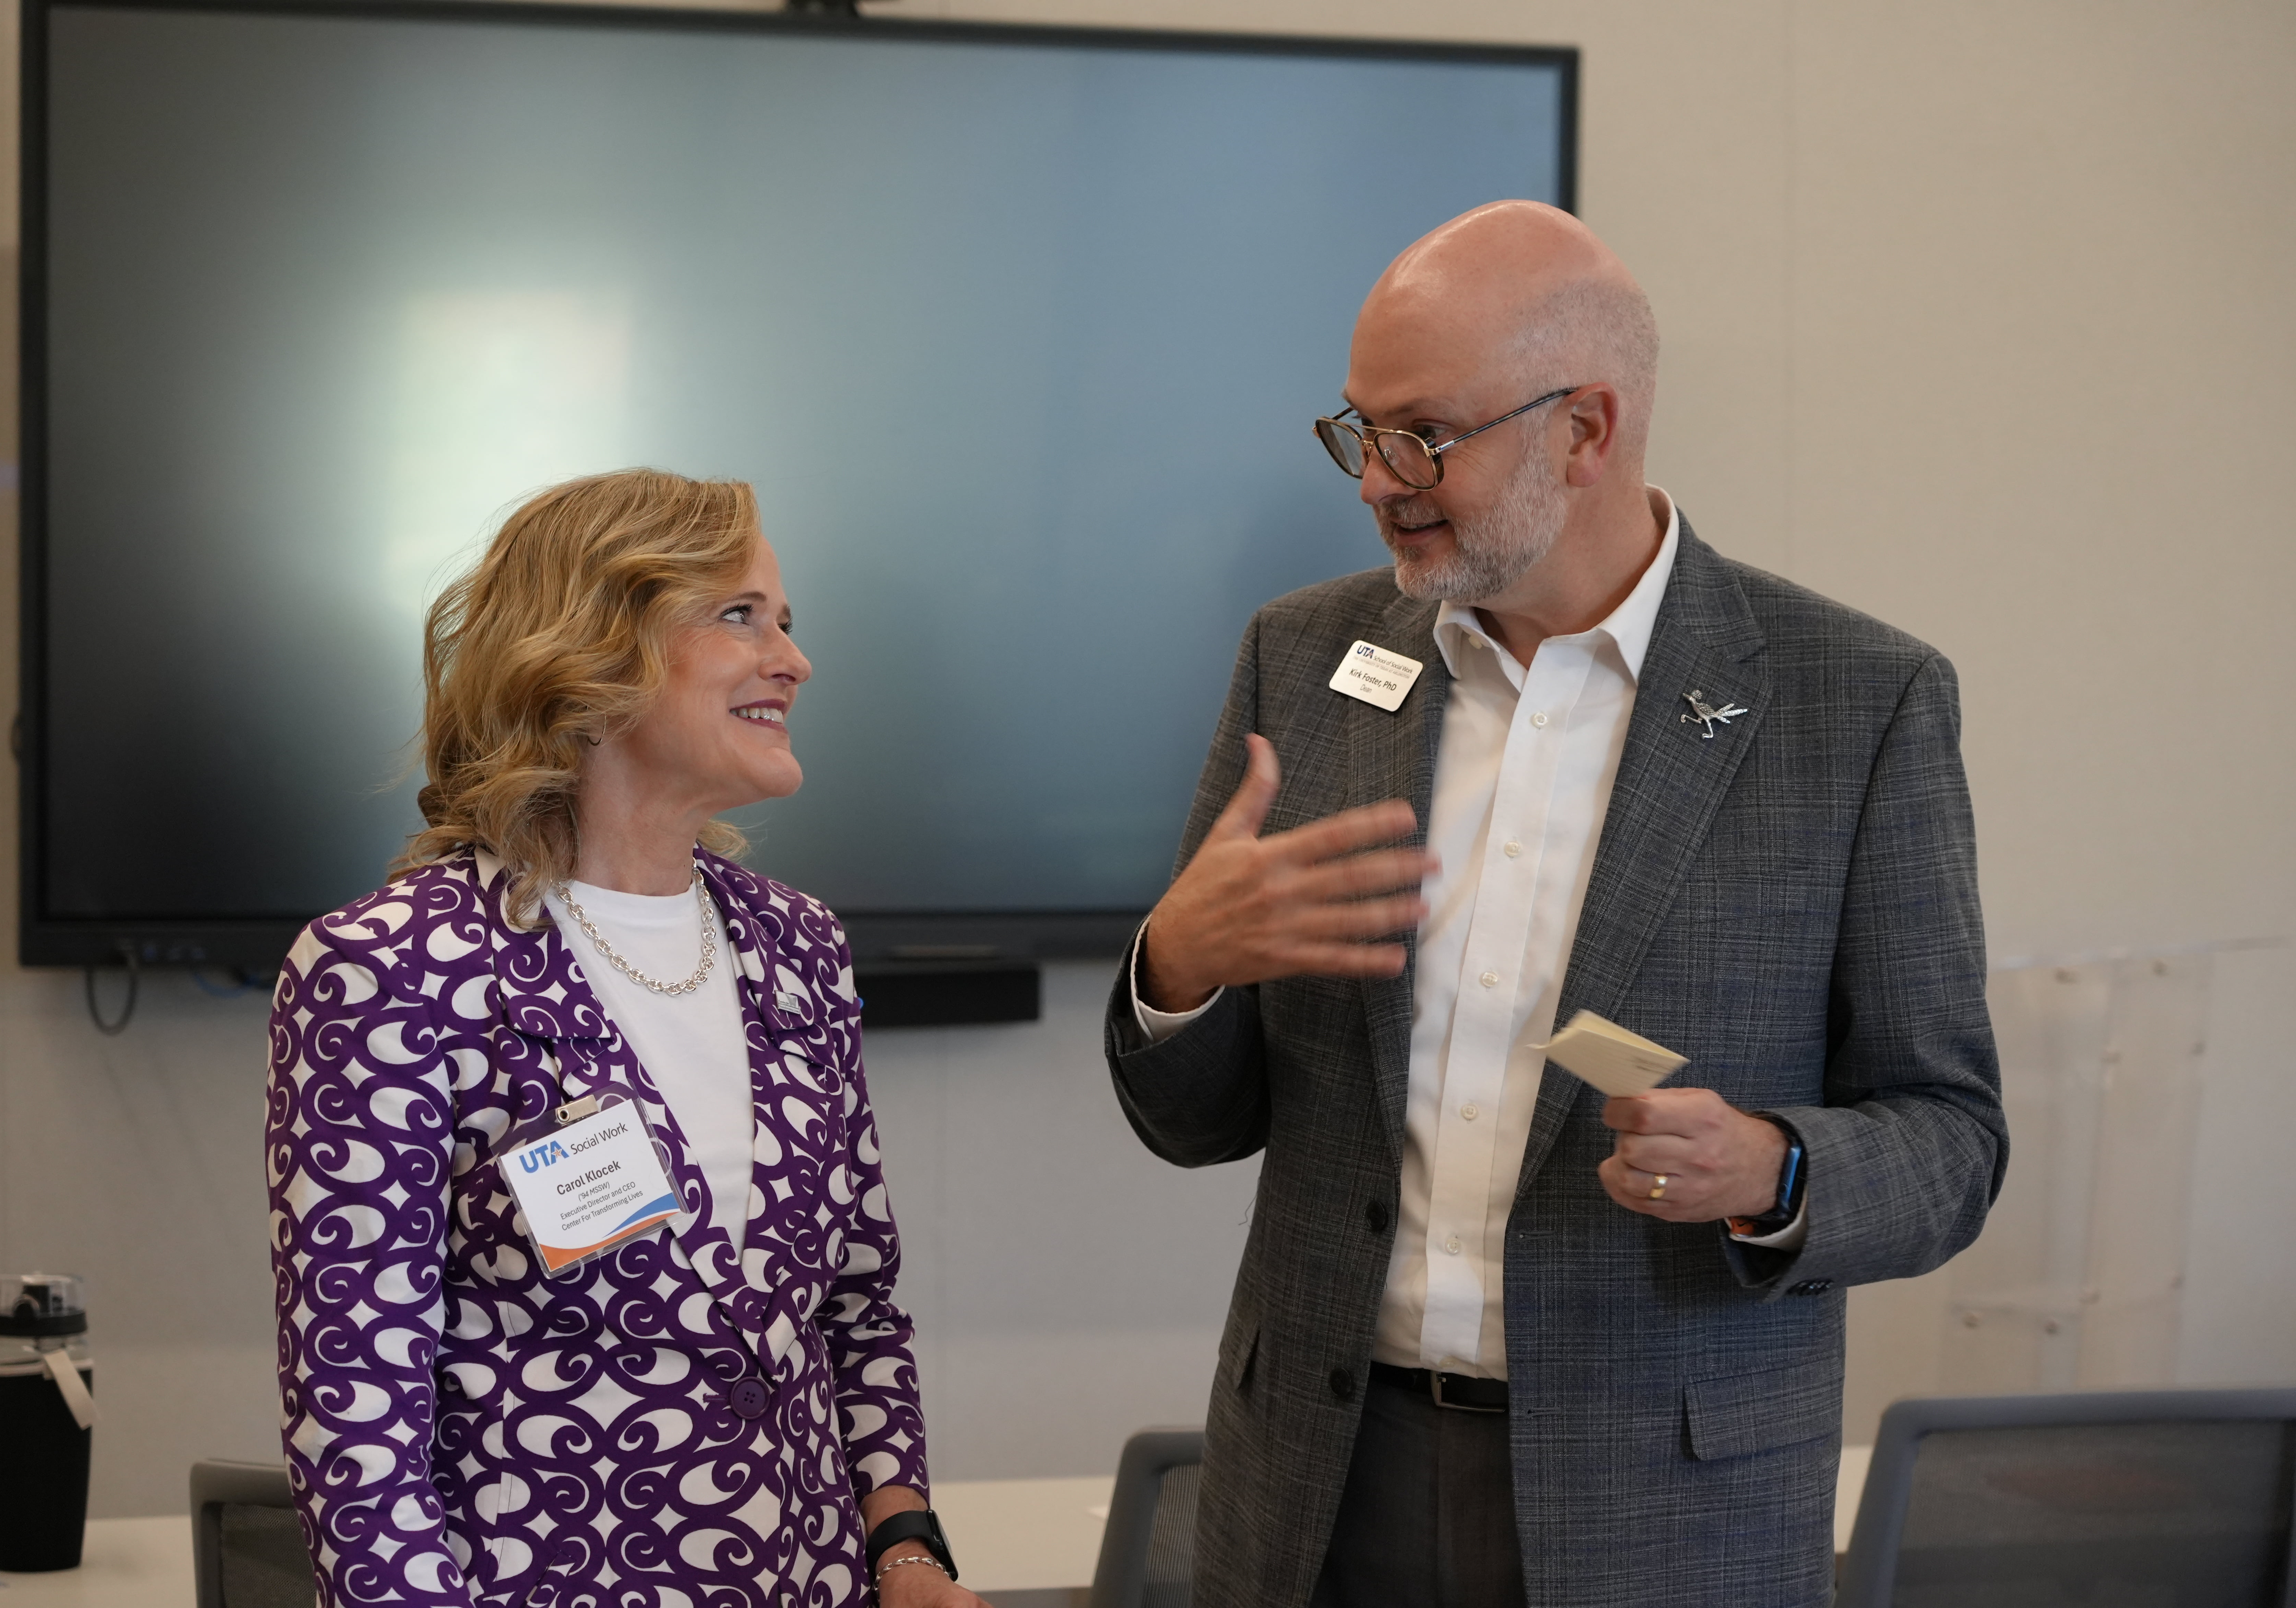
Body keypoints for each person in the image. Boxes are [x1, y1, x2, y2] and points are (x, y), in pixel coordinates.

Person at [1105, 202, 2006, 1608]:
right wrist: (1180, 969)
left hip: (1669, 1505)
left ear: (1585, 429)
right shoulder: (1306, 656)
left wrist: (1774, 1170)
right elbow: (1195, 1119)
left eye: (1422, 435)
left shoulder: (1855, 702)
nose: (1376, 480)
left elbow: (1951, 1141)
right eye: (1359, 430)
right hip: (1324, 1479)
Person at [266, 470, 981, 1608]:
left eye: (787, 621)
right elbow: (358, 1418)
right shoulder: (393, 969)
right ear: (591, 647)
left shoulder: (798, 947)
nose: (794, 661)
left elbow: (855, 1305)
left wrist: (905, 1547)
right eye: (739, 614)